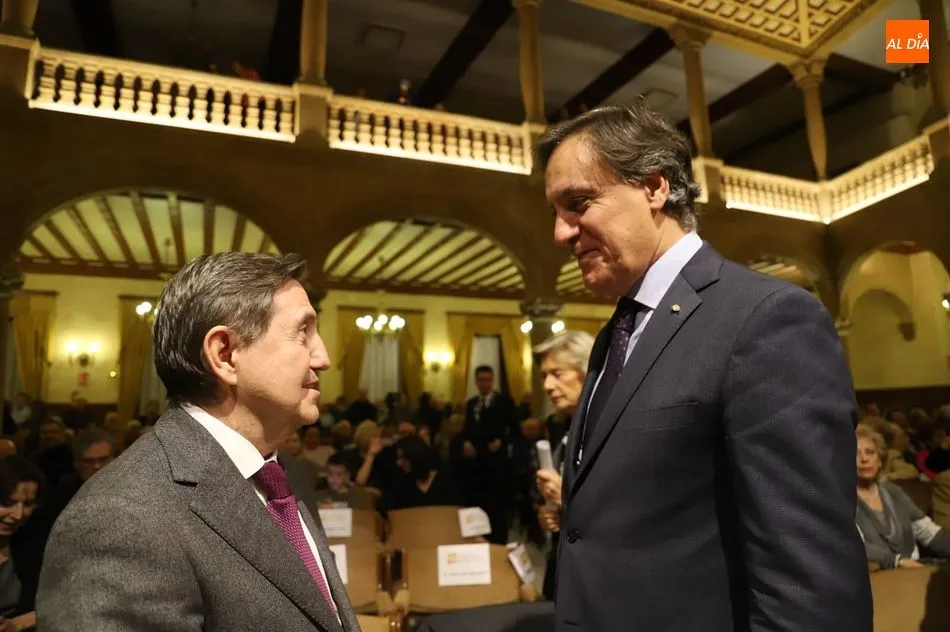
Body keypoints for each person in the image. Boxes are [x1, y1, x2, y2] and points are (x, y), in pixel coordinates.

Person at [538, 103, 871, 631]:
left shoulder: (765, 318)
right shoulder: (613, 335)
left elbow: (808, 580)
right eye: (555, 212)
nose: (561, 233)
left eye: (578, 203)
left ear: (654, 188)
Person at [37, 253, 359, 632]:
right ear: (225, 354)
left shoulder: (279, 481)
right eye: (303, 332)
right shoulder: (121, 516)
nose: (323, 357)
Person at [531, 331, 594, 600]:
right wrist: (553, 512)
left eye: (557, 374)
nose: (547, 385)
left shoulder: (607, 427)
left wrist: (566, 500)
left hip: (595, 576)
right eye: (544, 376)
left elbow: (623, 508)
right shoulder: (564, 424)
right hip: (563, 565)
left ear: (586, 370)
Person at [855, 424, 950, 568]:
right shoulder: (840, 500)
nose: (864, 459)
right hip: (873, 577)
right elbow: (855, 547)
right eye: (855, 454)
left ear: (880, 460)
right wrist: (897, 561)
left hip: (913, 571)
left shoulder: (893, 492)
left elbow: (930, 534)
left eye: (870, 452)